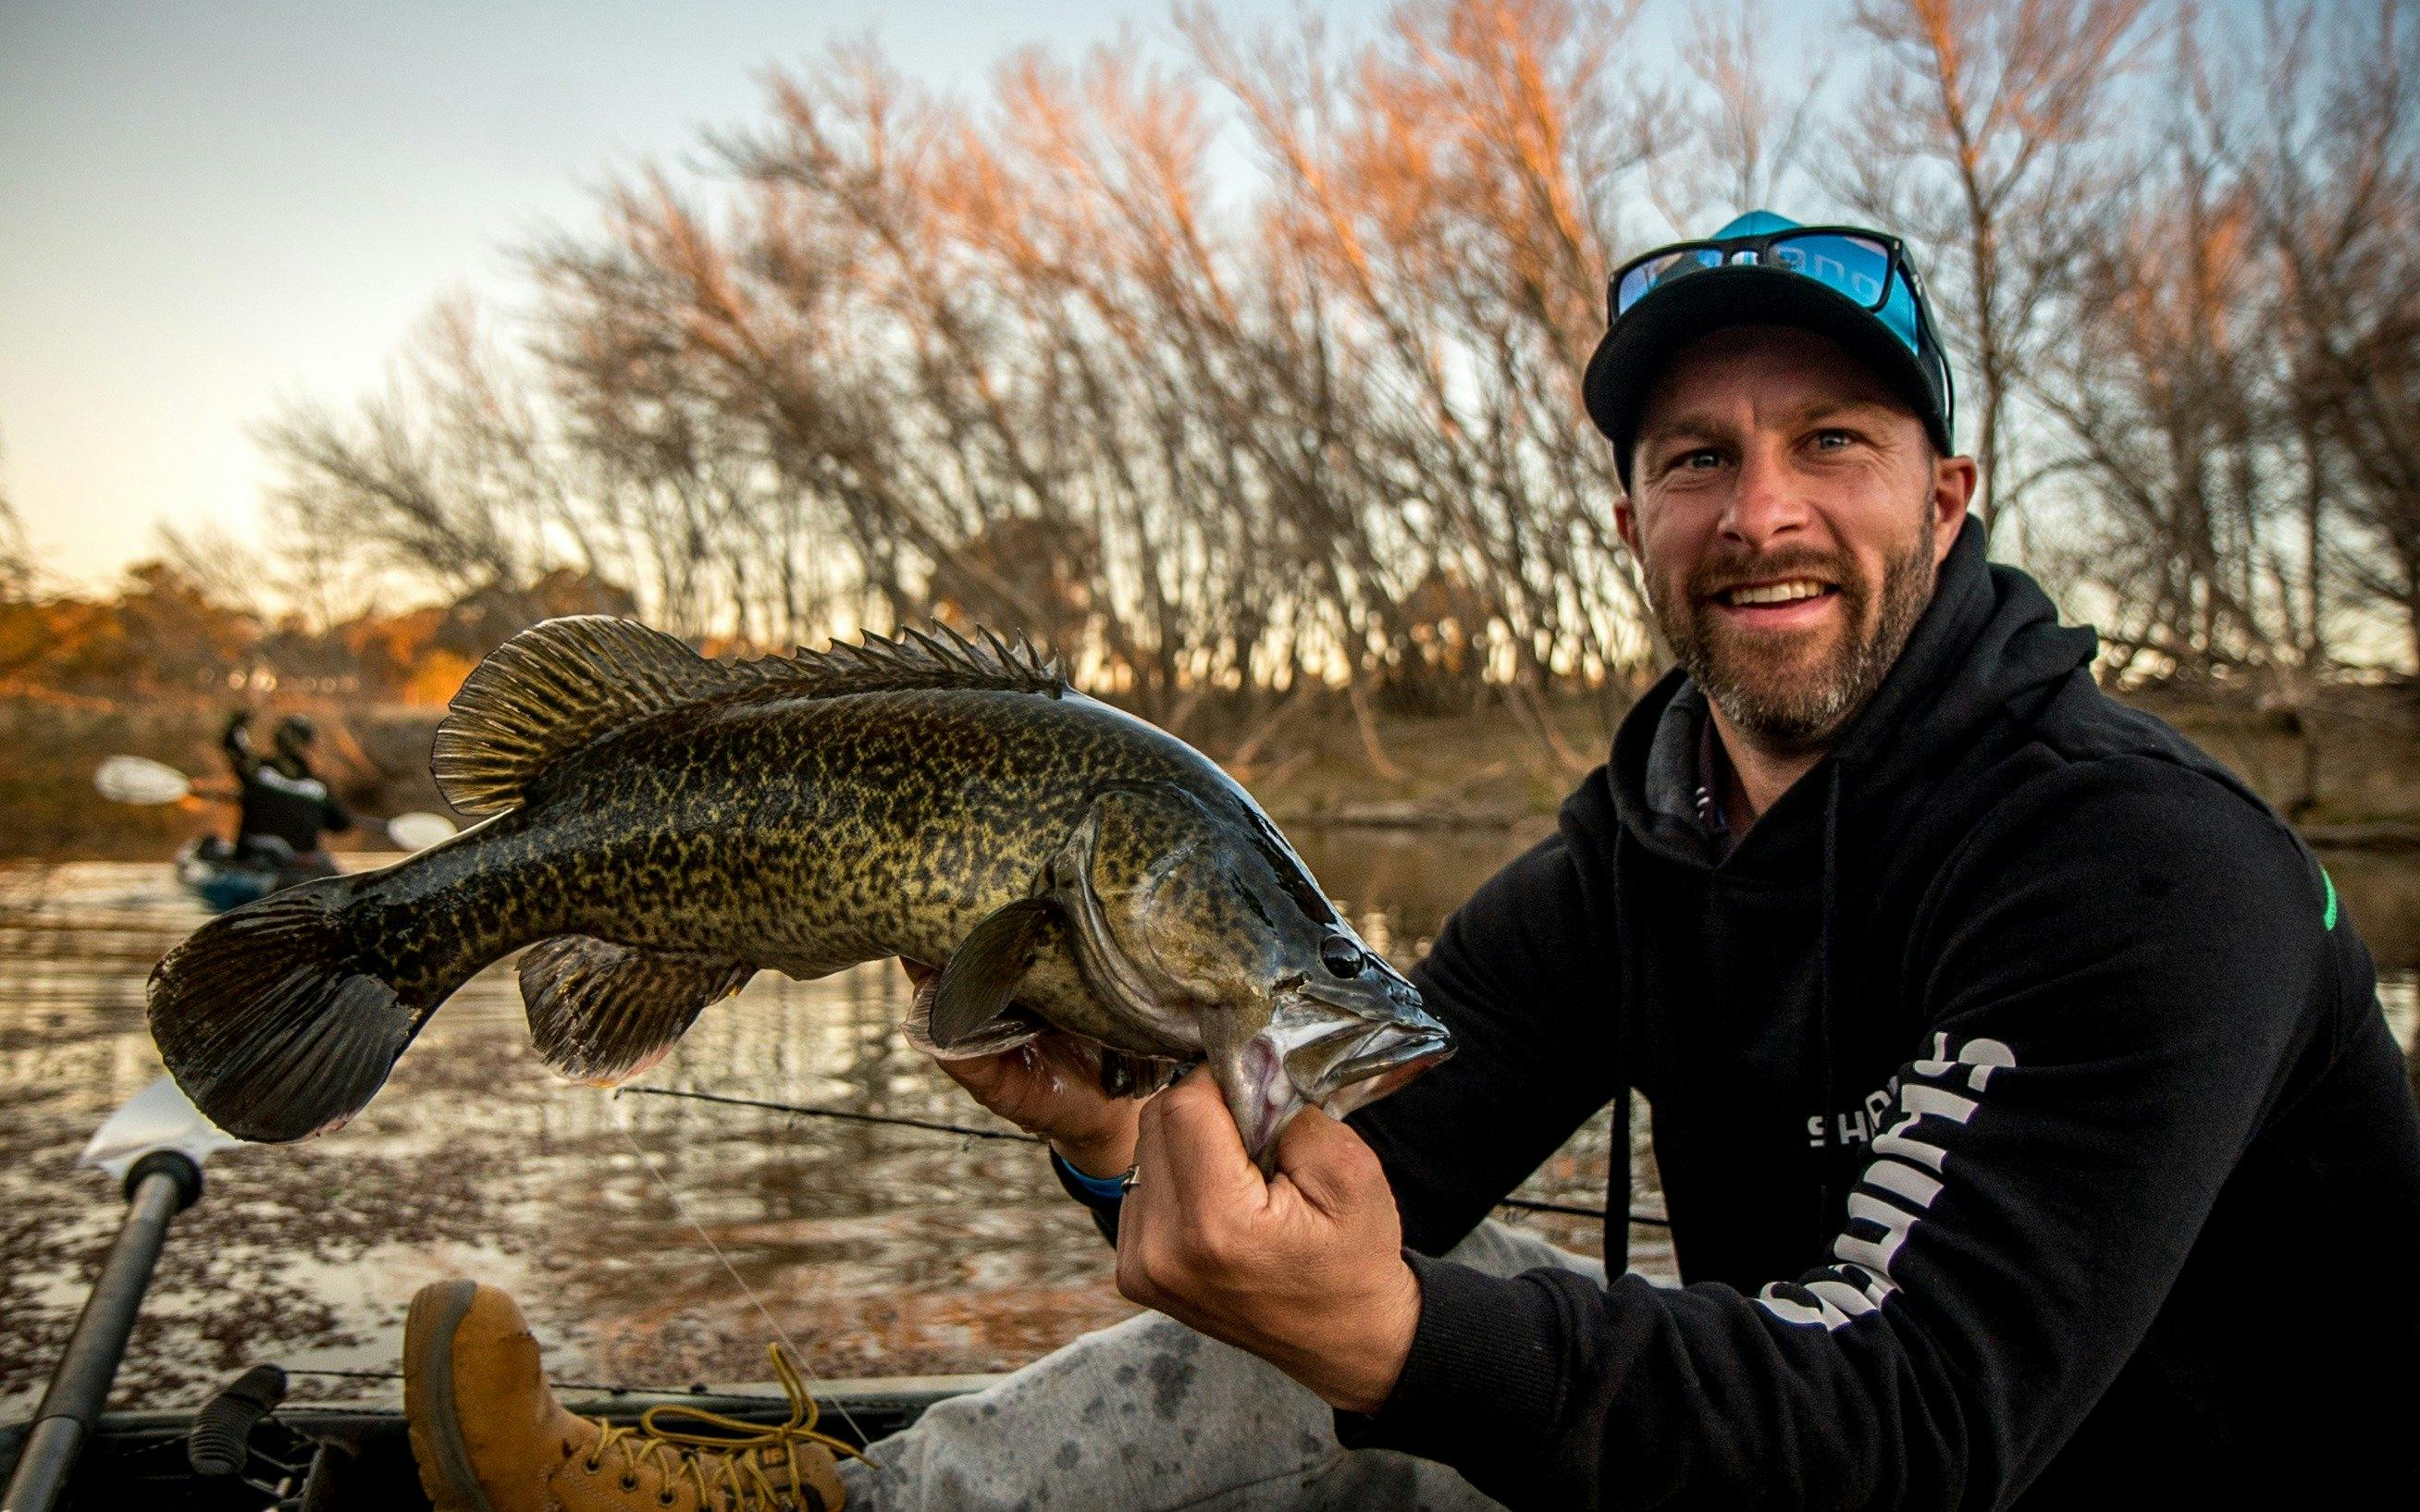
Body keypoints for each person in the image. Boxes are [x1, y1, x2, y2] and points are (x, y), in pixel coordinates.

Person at [403, 212, 2420, 1509]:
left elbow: (1913, 1426)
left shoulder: (2152, 871)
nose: (1763, 511)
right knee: (1399, 1313)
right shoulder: (1637, 856)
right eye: (1698, 458)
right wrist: (1122, 1120)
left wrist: (1392, 1329)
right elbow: (1385, 1161)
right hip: (1785, 1471)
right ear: (1632, 519)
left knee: (1434, 1329)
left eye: (1835, 443)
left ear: (1951, 497)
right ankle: (834, 1510)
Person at [219, 709, 352, 872]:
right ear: (308, 746)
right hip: (298, 870)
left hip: (256, 863)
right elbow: (342, 824)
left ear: (277, 742)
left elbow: (232, 743)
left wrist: (244, 713)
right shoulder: (319, 788)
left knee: (210, 846)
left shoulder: (256, 772)